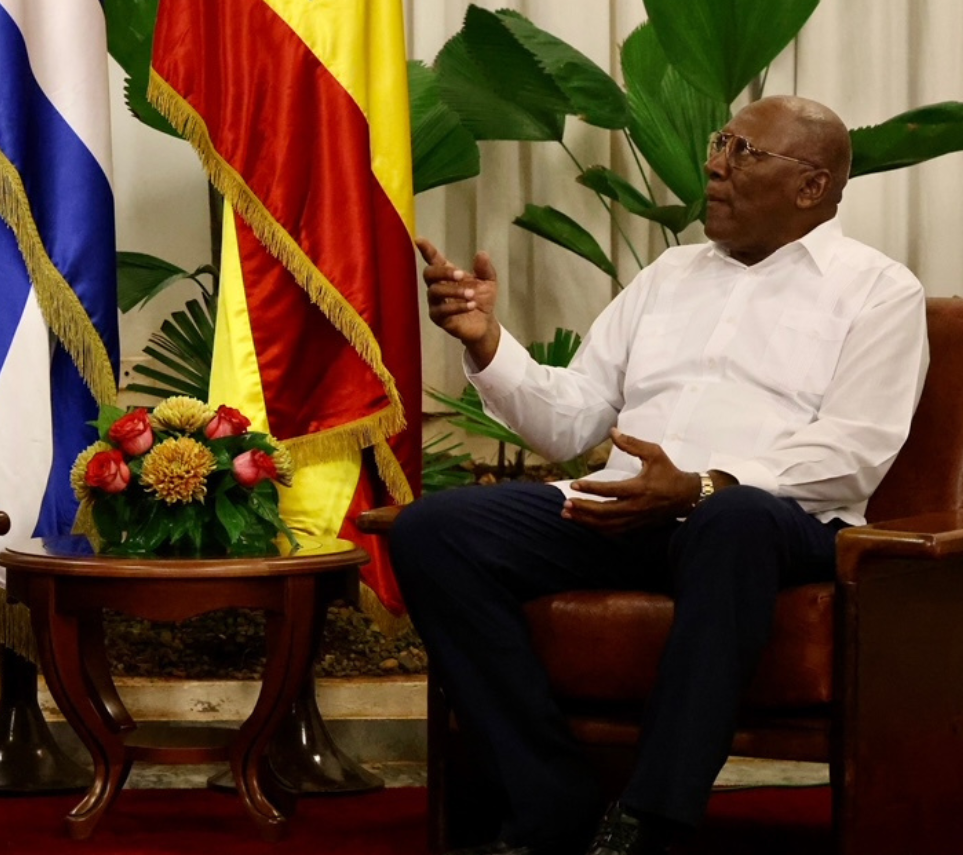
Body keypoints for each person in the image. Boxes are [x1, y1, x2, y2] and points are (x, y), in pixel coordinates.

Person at [394, 96, 929, 855]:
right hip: (631, 509)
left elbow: (854, 448)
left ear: (812, 187)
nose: (714, 164)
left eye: (745, 152)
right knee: (435, 532)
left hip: (778, 527)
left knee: (730, 520)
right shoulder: (670, 276)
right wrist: (489, 345)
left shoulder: (877, 290)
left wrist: (706, 484)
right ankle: (549, 799)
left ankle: (654, 820)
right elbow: (573, 419)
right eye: (721, 142)